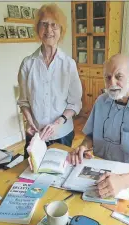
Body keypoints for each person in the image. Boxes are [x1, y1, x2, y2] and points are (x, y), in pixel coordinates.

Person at [69, 54, 129, 198]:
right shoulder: (101, 102)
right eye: (107, 77)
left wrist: (123, 181)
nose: (111, 83)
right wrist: (83, 146)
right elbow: (90, 135)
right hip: (98, 177)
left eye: (118, 76)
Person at [17, 4, 82, 159]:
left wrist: (58, 123)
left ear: (61, 30)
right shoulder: (27, 64)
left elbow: (75, 103)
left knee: (58, 177)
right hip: (36, 134)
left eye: (54, 25)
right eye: (44, 24)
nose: (49, 30)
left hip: (62, 133)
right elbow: (24, 101)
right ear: (38, 29)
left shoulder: (69, 64)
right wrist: (30, 121)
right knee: (31, 175)